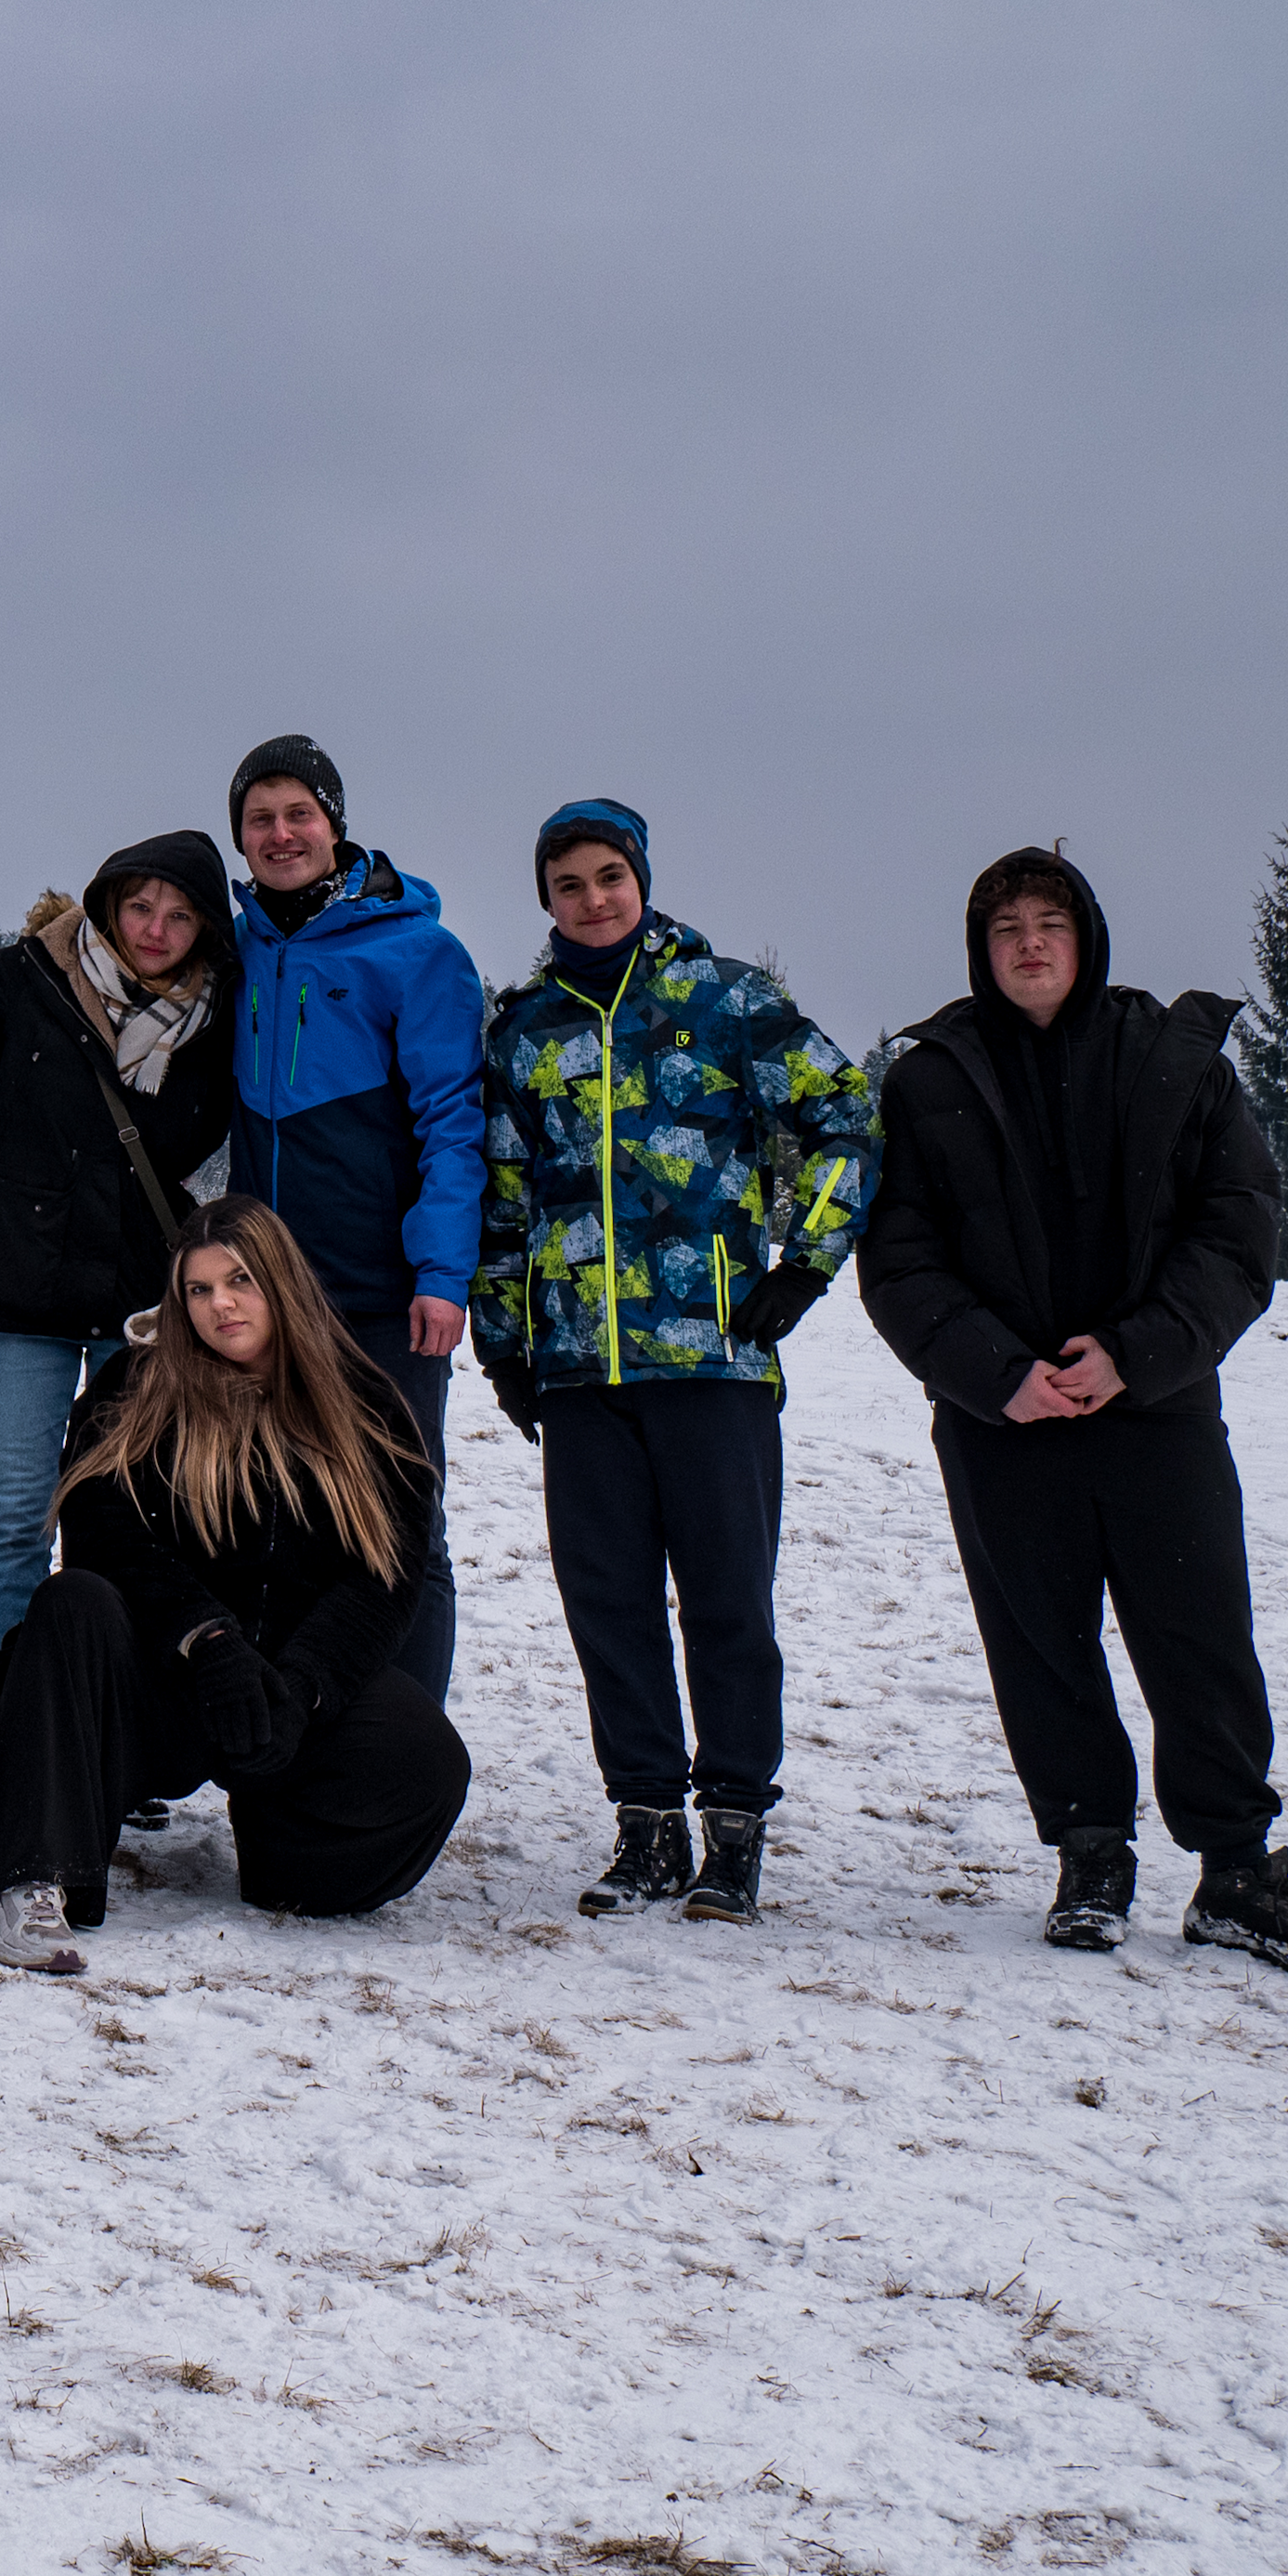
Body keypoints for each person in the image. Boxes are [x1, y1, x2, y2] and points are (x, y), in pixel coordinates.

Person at [859, 847, 1288, 1981]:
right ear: (979, 950)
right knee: (1040, 1643)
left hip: (1157, 1409)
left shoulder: (1172, 1060)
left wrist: (1136, 1355)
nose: (1030, 944)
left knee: (1198, 1636)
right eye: (1006, 929)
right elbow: (899, 1260)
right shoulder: (929, 1078)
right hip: (1005, 1420)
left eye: (1050, 922)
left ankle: (1236, 1872)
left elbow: (1239, 1228)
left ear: (1087, 936)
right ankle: (1091, 1854)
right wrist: (998, 1375)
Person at [472, 802, 879, 1925]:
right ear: (545, 899)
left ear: (641, 879)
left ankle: (735, 1825)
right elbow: (505, 1198)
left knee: (727, 1603)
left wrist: (805, 1263)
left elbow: (850, 1114)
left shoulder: (727, 1001)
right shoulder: (524, 1033)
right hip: (581, 1372)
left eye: (611, 877)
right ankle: (646, 1821)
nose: (593, 899)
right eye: (569, 884)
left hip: (715, 1362)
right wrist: (504, 1343)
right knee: (607, 1602)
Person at [0, 1196, 468, 1972]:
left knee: (427, 1760)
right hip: (162, 1677)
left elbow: (381, 1578)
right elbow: (102, 1535)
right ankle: (30, 1877)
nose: (220, 1304)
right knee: (71, 1604)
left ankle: (282, 1855)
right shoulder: (136, 1385)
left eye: (241, 1281)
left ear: (282, 1283)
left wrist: (305, 1689)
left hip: (280, 1692)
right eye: (199, 1289)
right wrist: (207, 1640)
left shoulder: (363, 1401)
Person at [0, 835, 239, 1747]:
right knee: (16, 1525)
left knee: (136, 1528)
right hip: (21, 1298)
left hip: (141, 1307)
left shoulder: (216, 1020)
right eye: (140, 906)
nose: (155, 929)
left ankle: (125, 1730)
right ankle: (6, 1732)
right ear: (108, 903)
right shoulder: (18, 980)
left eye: (179, 913)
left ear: (203, 930)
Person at [225, 736, 482, 1708]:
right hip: (267, 1299)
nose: (281, 834)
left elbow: (454, 1122)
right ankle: (298, 1725)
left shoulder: (416, 952)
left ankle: (405, 1741)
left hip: (383, 1297)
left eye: (300, 814)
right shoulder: (243, 942)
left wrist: (442, 1274)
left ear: (335, 823)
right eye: (260, 819)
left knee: (400, 1517)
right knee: (279, 1519)